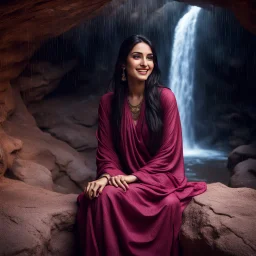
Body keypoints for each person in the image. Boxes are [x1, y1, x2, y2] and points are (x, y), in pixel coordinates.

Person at [76, 34, 207, 256]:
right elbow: (106, 152)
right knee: (104, 196)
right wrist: (107, 176)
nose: (145, 63)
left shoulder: (166, 98)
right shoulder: (108, 102)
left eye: (150, 58)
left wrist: (133, 177)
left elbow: (169, 153)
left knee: (169, 203)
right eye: (137, 57)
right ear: (122, 64)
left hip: (158, 180)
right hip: (123, 179)